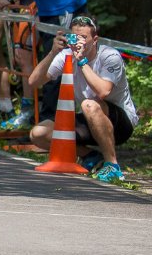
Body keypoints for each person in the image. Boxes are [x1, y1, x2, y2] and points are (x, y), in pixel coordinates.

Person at [27, 16, 137, 184]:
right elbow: (34, 82)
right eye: (74, 37)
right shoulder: (66, 55)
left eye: (84, 38)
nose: (78, 42)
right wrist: (52, 52)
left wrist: (82, 61)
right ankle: (91, 156)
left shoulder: (109, 55)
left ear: (95, 39)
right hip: (89, 118)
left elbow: (103, 91)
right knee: (38, 133)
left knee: (89, 105)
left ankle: (112, 165)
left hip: (120, 122)